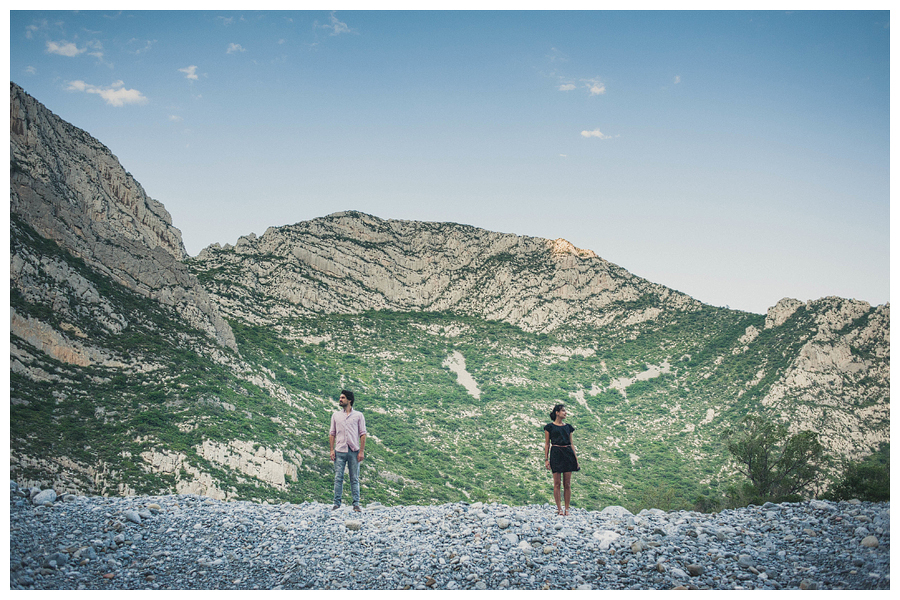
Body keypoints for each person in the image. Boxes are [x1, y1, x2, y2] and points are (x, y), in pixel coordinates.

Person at [329, 389, 367, 511]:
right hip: (340, 450)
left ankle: (356, 504)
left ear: (349, 400)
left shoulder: (359, 416)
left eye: (343, 398)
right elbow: (332, 433)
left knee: (354, 478)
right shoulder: (335, 415)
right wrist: (331, 450)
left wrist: (361, 451)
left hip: (354, 451)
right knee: (338, 477)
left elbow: (363, 434)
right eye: (340, 398)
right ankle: (336, 504)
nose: (340, 400)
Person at [543, 403, 578, 516]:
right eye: (563, 411)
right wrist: (546, 459)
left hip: (568, 453)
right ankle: (559, 509)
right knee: (557, 483)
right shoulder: (549, 427)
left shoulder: (568, 427)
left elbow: (572, 444)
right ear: (557, 412)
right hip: (556, 453)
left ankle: (567, 508)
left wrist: (576, 459)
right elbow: (547, 443)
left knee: (567, 484)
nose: (565, 413)